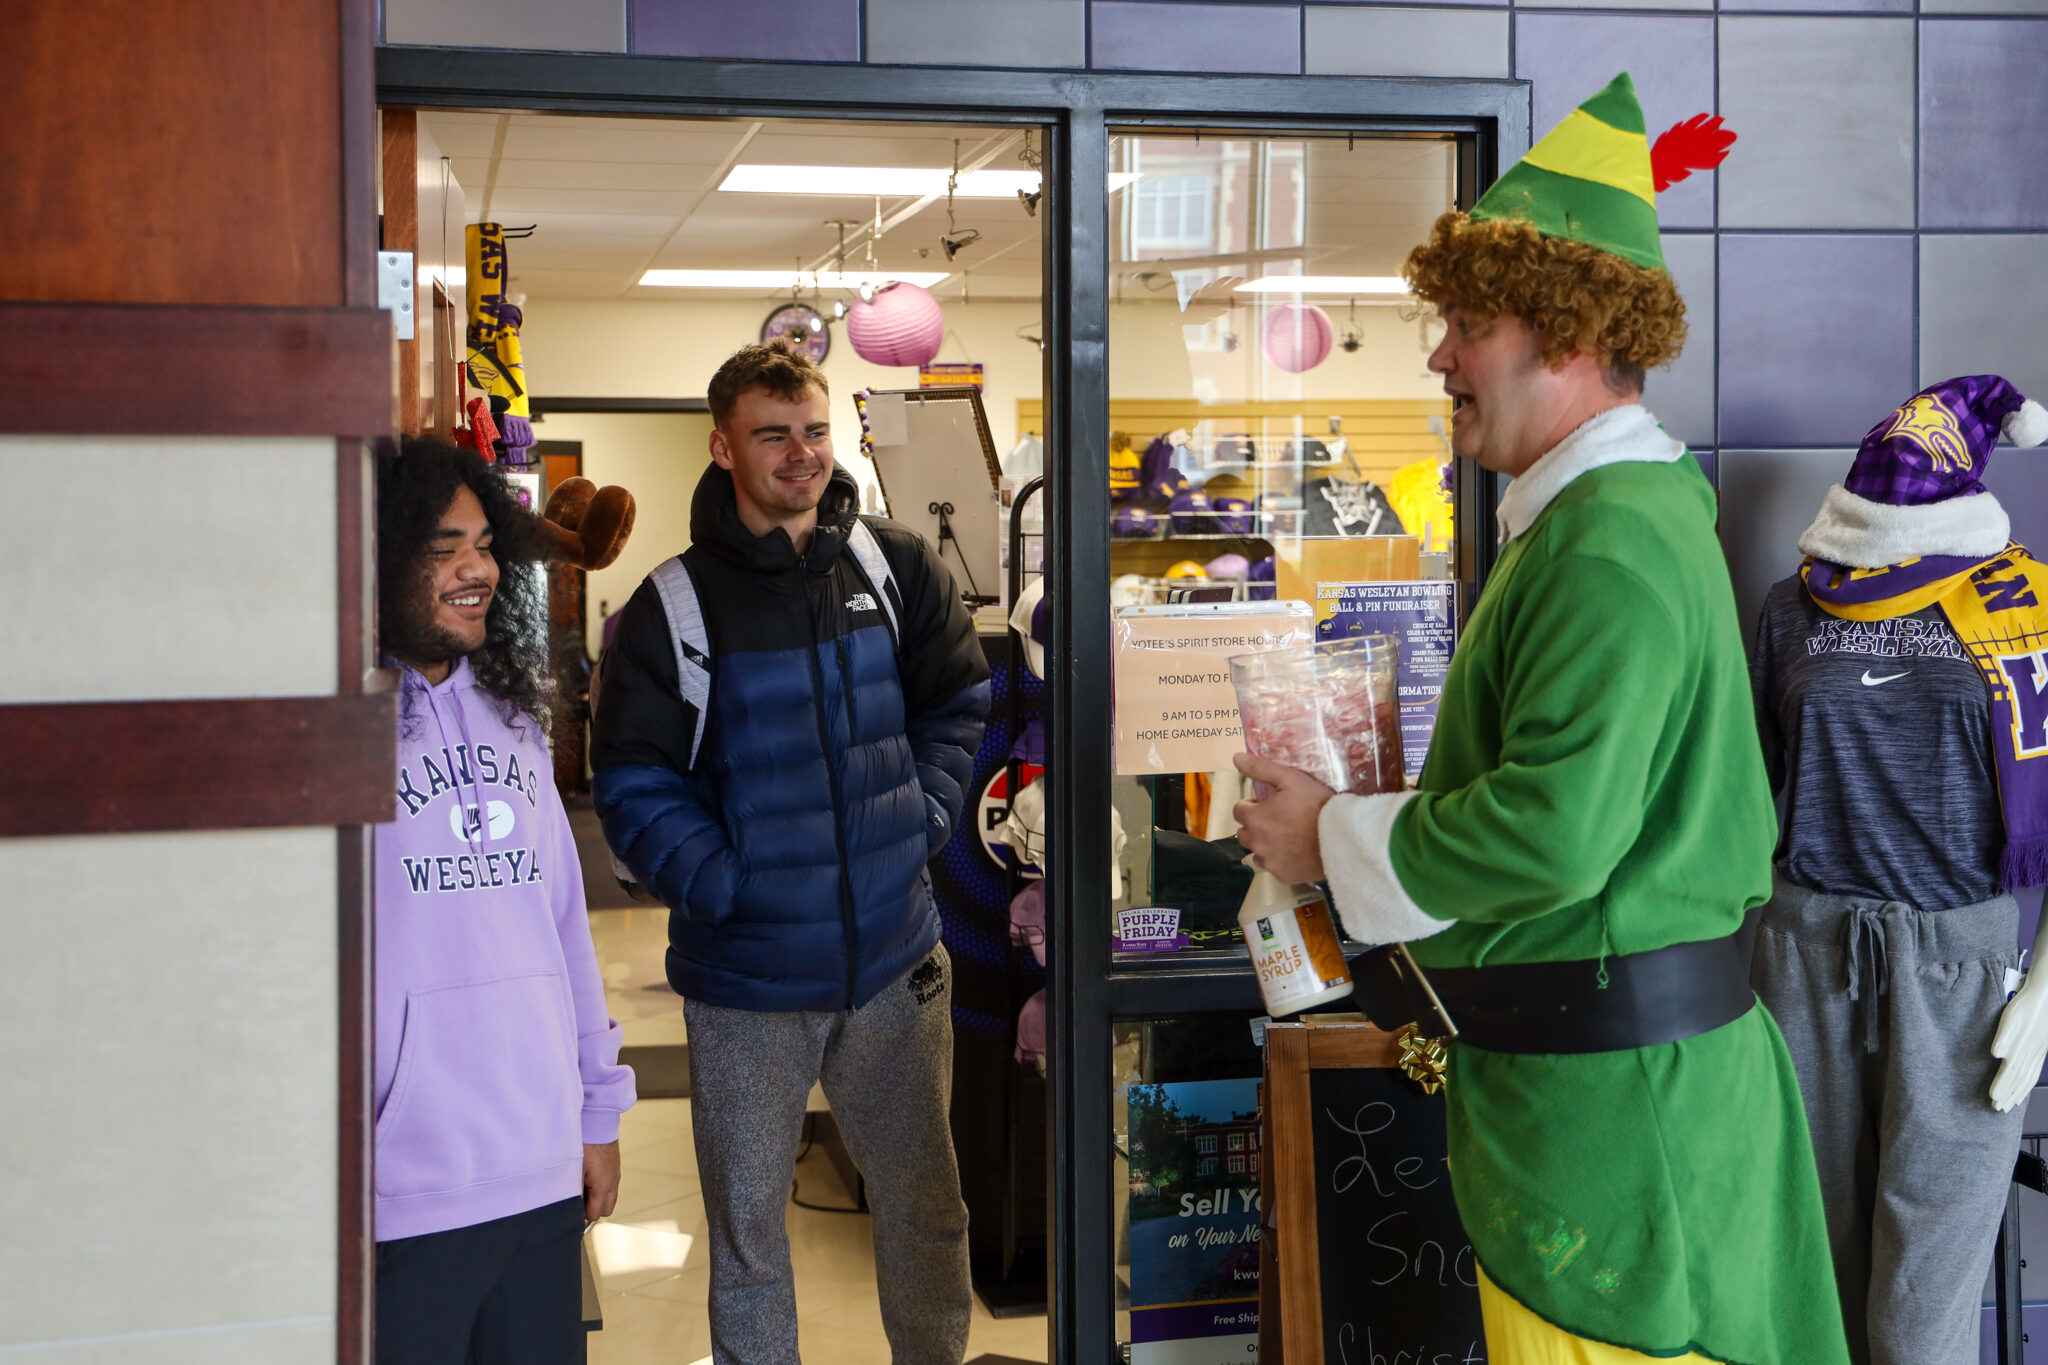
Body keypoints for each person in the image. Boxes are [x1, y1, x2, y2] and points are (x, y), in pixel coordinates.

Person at [1233, 74, 1850, 1365]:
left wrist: (1328, 834)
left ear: (1563, 333)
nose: (1440, 354)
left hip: (1623, 1127)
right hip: (1603, 1102)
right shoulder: (1607, 521)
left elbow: (1557, 830)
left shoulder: (1604, 543)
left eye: (1465, 323)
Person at [591, 344, 990, 1365]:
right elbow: (633, 779)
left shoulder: (893, 567)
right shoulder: (671, 606)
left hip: (893, 966)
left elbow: (956, 704)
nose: (801, 454)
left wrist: (927, 818)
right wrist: (725, 885)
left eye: (813, 430)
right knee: (749, 1241)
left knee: (925, 1210)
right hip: (747, 982)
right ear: (724, 446)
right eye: (773, 434)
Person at [1752, 375, 2048, 1365]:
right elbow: (1749, 800)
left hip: (1958, 974)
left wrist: (2043, 990)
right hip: (1799, 963)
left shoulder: (2028, 612)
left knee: (1916, 1327)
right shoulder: (1786, 610)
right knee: (1807, 1295)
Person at [371, 437, 635, 1364]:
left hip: (538, 1168)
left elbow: (564, 927)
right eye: (443, 548)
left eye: (483, 542)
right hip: (403, 1185)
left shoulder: (516, 716)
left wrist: (594, 1115)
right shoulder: (336, 732)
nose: (477, 567)